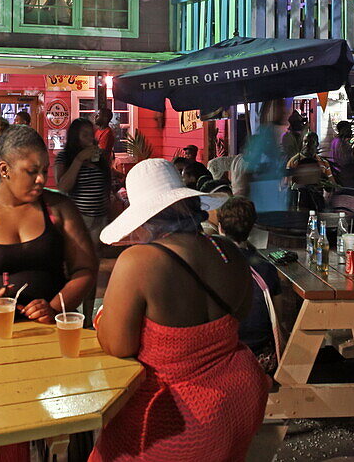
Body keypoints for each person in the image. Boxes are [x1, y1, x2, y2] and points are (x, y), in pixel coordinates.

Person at [91, 159, 269, 460]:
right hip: (240, 394)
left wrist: (101, 317)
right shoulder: (227, 251)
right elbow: (240, 311)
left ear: (144, 216)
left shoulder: (139, 262)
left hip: (179, 412)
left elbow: (118, 345)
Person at [0, 125, 98, 327]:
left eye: (44, 170)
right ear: (4, 170)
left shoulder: (60, 209)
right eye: (32, 171)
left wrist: (55, 307)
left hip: (52, 328)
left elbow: (85, 269)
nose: (41, 179)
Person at [211, 196, 281, 368]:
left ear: (220, 228)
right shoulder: (266, 268)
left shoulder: (211, 264)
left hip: (222, 357)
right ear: (252, 227)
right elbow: (277, 316)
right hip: (261, 359)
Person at [55, 118, 111, 242]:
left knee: (97, 255)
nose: (89, 138)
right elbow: (62, 187)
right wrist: (79, 159)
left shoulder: (98, 156)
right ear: (75, 137)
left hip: (100, 216)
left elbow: (104, 183)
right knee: (81, 255)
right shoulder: (64, 156)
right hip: (79, 217)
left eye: (91, 134)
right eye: (85, 135)